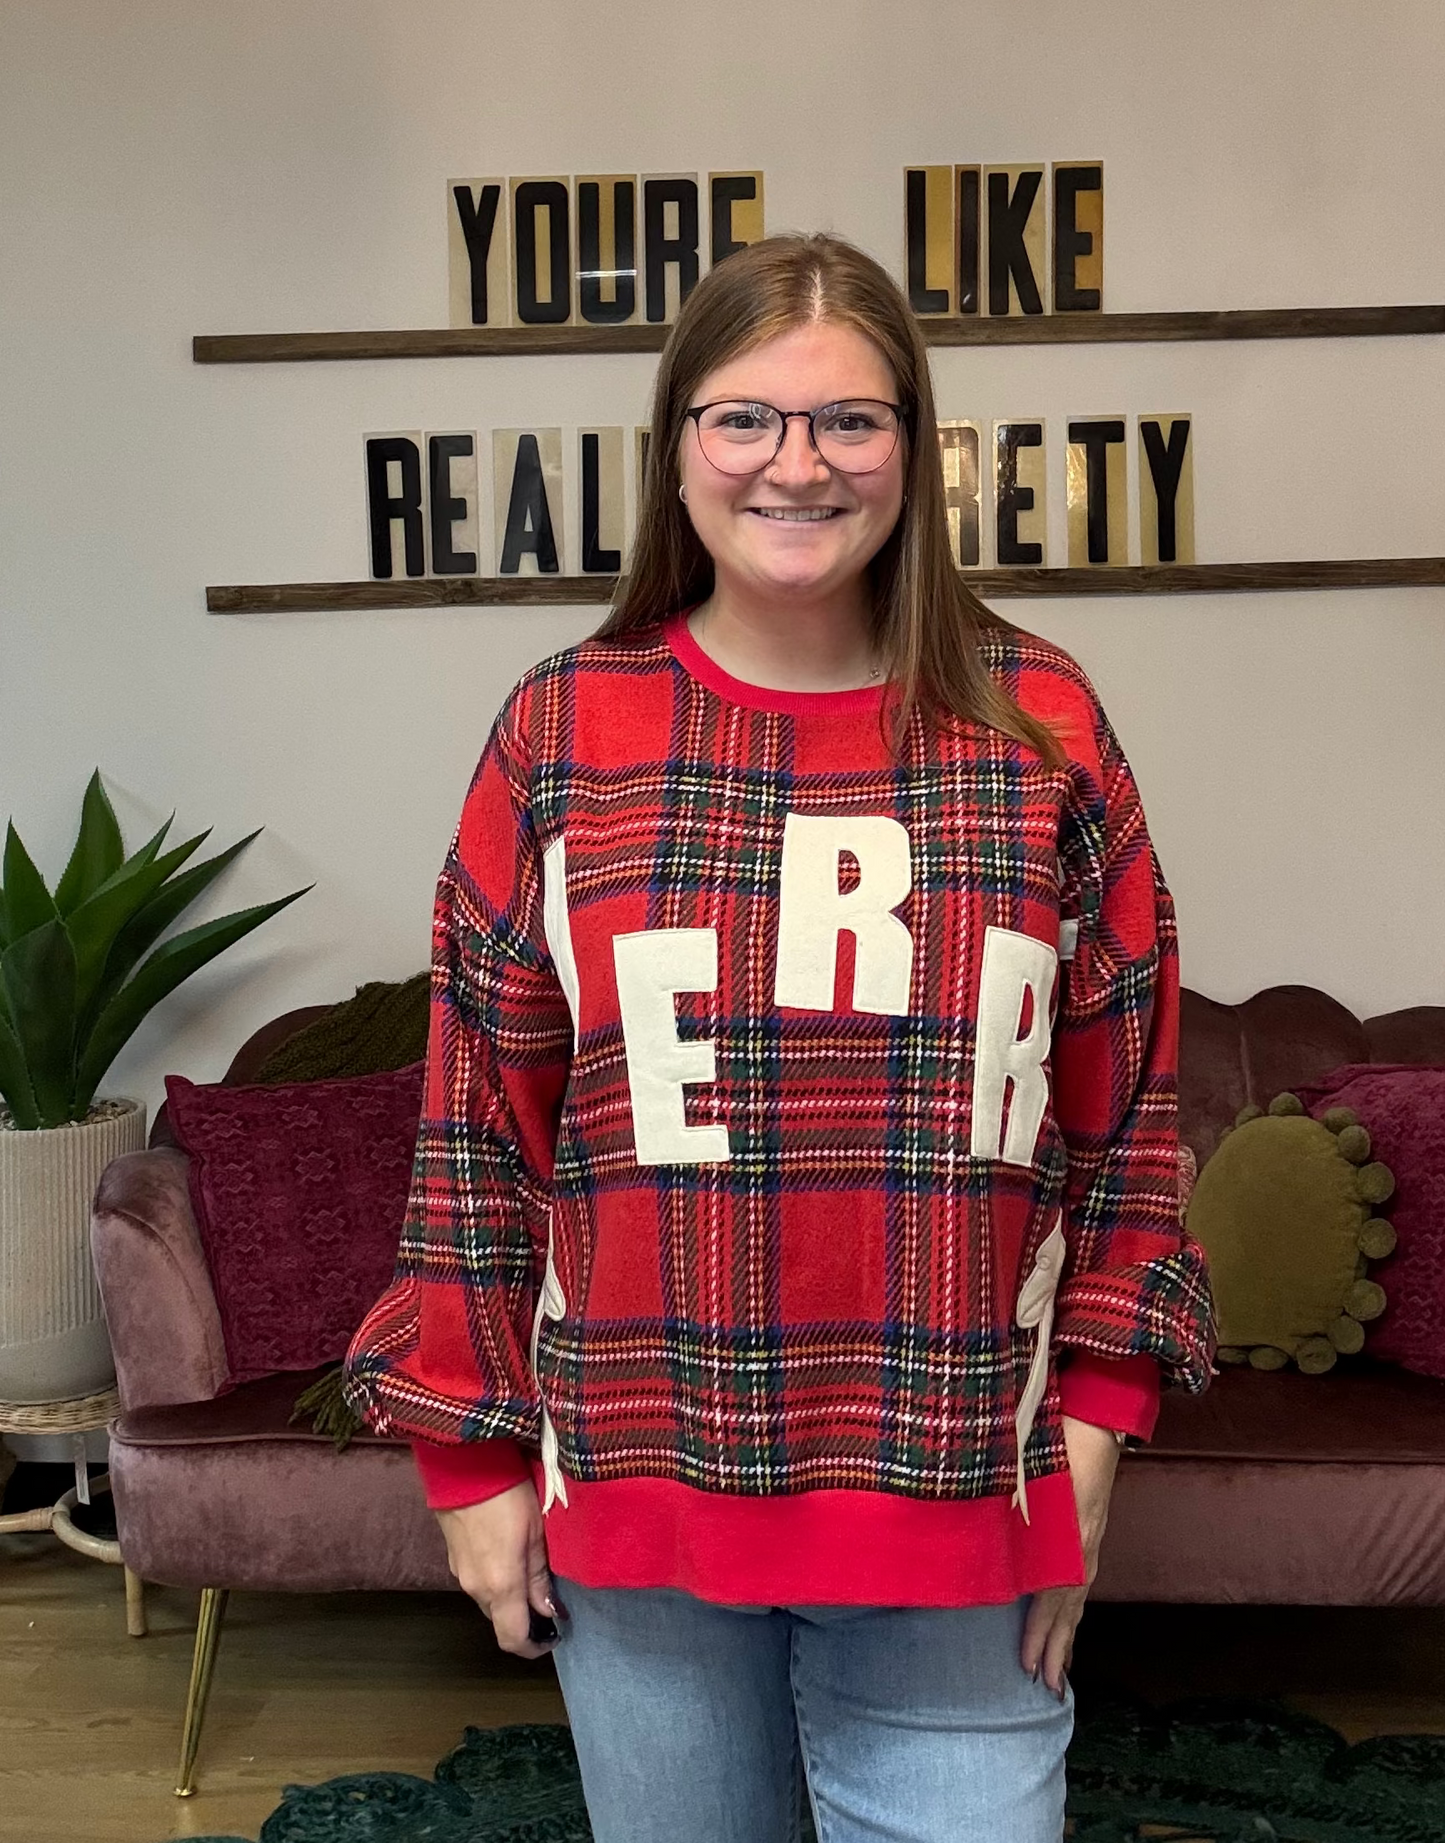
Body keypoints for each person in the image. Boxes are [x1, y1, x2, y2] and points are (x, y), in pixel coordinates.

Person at [344, 232, 1215, 1843]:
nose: (795, 464)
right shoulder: (561, 729)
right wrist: (467, 1461)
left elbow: (1129, 1104)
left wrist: (1099, 1409)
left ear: (915, 451)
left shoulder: (1045, 729)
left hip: (960, 1496)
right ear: (676, 450)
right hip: (641, 1485)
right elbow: (476, 1121)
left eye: (849, 421)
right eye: (745, 418)